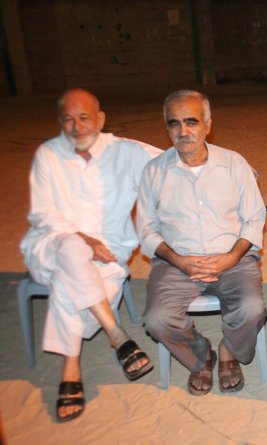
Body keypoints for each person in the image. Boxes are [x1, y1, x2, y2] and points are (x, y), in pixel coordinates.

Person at [20, 88, 162, 422]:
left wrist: (231, 168)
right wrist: (83, 239)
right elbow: (42, 213)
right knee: (72, 249)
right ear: (61, 121)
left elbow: (173, 162)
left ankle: (71, 368)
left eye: (84, 117)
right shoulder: (49, 155)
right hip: (51, 245)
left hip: (108, 251)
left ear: (100, 119)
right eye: (68, 119)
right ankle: (116, 335)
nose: (77, 126)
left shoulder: (126, 151)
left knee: (69, 284)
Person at [137, 90, 267, 397]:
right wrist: (179, 260)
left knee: (251, 308)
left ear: (208, 124)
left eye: (191, 122)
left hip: (233, 260)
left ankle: (229, 350)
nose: (183, 131)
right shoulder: (154, 172)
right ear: (166, 127)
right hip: (176, 263)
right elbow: (146, 230)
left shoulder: (234, 164)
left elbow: (254, 218)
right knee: (157, 319)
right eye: (174, 123)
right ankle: (200, 355)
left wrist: (231, 257)